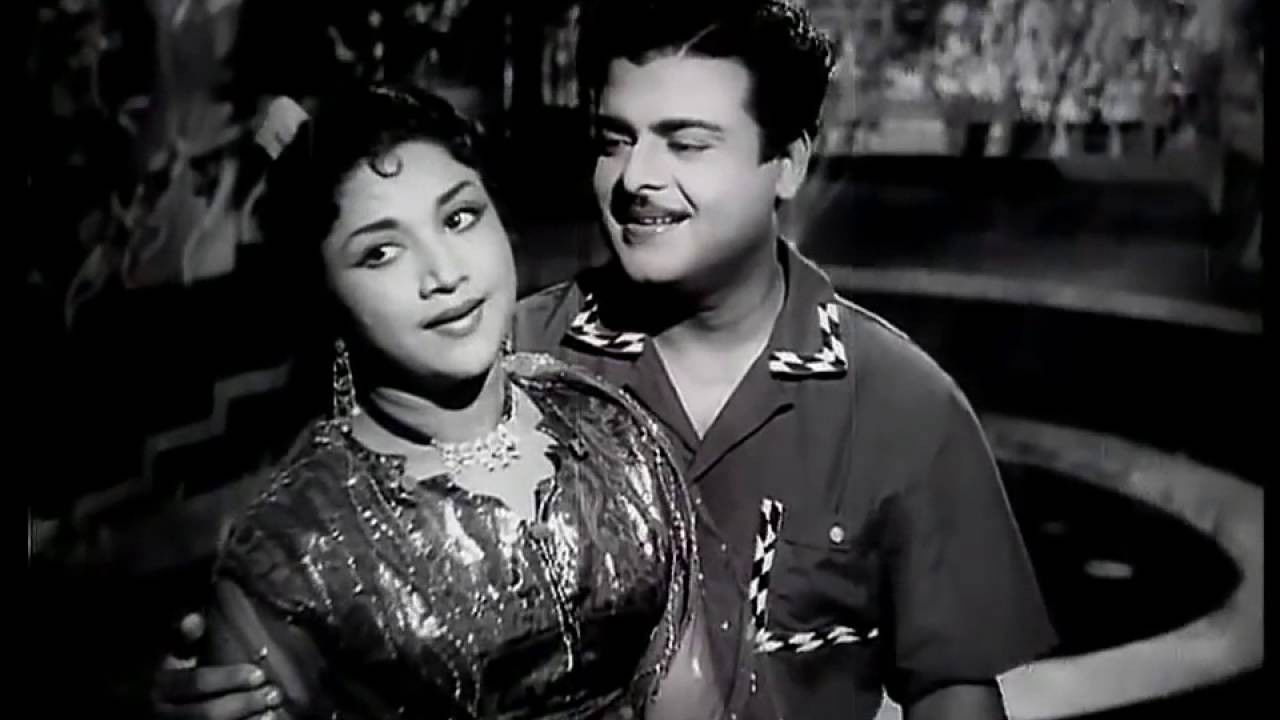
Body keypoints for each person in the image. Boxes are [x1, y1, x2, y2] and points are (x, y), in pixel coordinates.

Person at [155, 2, 1056, 719]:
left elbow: (953, 690)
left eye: (686, 142)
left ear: (786, 163)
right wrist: (236, 684)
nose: (636, 179)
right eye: (614, 139)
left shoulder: (903, 404)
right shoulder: (491, 356)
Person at [154, 83, 751, 720]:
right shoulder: (294, 553)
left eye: (459, 217)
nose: (444, 274)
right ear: (325, 297)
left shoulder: (615, 437)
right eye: (381, 252)